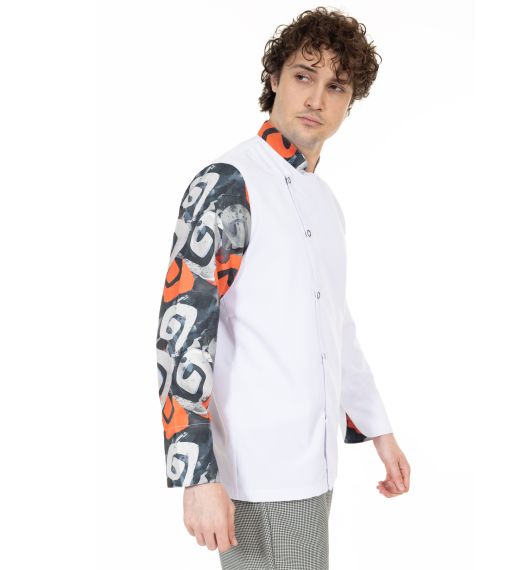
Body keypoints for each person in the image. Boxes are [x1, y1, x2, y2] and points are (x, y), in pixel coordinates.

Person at [155, 7, 411, 569]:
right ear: (274, 78)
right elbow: (182, 333)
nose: (316, 98)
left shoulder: (325, 201)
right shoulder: (230, 183)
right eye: (303, 76)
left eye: (336, 86)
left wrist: (378, 429)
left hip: (314, 468)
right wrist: (196, 476)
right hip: (255, 475)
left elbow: (335, 325)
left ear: (350, 100)